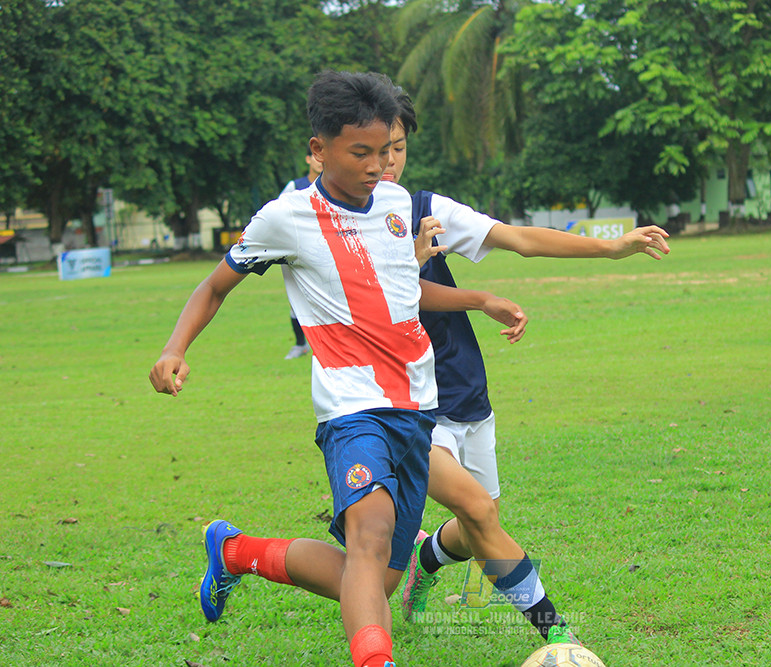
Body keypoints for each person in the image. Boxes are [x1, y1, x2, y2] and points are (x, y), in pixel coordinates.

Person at [148, 70, 526, 667]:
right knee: (370, 534)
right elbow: (215, 286)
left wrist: (477, 298)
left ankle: (236, 552)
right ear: (318, 151)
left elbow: (401, 297)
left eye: (387, 150)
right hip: (351, 409)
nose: (379, 166)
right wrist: (175, 348)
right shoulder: (284, 218)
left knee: (374, 579)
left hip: (417, 411)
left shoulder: (399, 206)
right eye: (361, 153)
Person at [384, 90, 672, 646]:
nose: (388, 162)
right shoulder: (348, 226)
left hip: (464, 388)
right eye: (375, 149)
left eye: (397, 148)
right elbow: (386, 299)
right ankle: (560, 639)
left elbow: (518, 238)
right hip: (405, 399)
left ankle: (425, 560)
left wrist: (611, 248)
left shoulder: (426, 208)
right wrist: (476, 296)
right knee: (480, 517)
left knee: (477, 527)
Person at [279, 147, 324, 359]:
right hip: (298, 251)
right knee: (296, 298)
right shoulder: (295, 187)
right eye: (315, 156)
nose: (319, 161)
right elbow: (279, 212)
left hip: (324, 250)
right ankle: (300, 344)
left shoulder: (335, 186)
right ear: (308, 159)